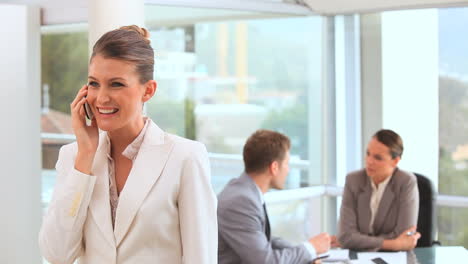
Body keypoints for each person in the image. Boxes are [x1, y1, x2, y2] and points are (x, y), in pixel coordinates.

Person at [39, 25, 217, 264]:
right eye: (94, 83)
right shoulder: (74, 157)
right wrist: (86, 155)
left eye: (117, 84)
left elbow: (201, 257)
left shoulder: (185, 157)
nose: (101, 98)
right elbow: (57, 254)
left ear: (148, 90)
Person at [218, 129, 330, 264]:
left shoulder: (244, 191)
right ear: (274, 167)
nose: (288, 170)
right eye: (287, 164)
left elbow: (264, 239)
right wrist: (311, 248)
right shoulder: (241, 201)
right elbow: (266, 261)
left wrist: (308, 253)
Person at [337, 129, 420, 251]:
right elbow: (346, 237)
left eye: (378, 158)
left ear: (395, 161)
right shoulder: (353, 180)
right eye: (368, 153)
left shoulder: (406, 182)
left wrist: (359, 241)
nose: (369, 161)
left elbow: (403, 235)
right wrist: (394, 244)